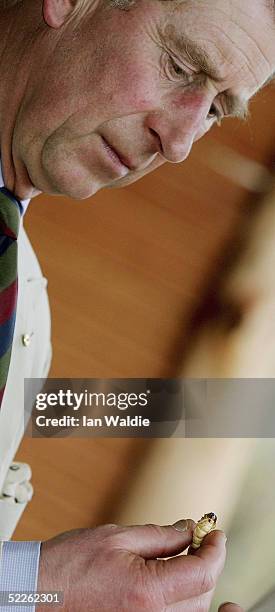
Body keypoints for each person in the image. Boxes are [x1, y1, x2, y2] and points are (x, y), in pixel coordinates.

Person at [0, 0, 274, 609]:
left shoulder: (26, 315)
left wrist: (41, 596)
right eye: (181, 65)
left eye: (216, 111)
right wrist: (42, 583)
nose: (179, 142)